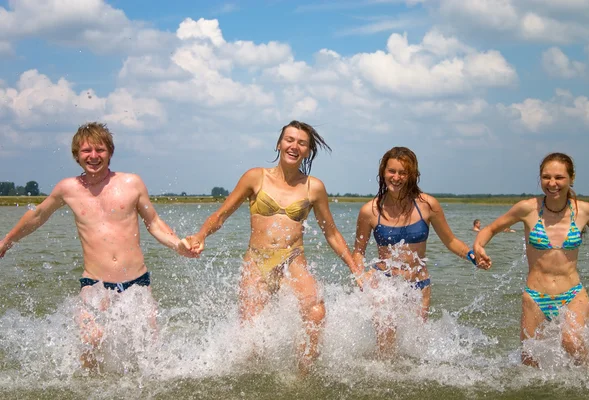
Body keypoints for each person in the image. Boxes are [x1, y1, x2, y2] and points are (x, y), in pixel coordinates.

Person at [0, 122, 195, 370]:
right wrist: (6, 241)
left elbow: (154, 222)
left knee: (148, 351)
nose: (93, 156)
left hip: (137, 283)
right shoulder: (67, 188)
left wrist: (178, 245)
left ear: (110, 152)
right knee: (90, 342)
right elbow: (37, 216)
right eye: (86, 151)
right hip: (94, 284)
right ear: (76, 156)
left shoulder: (131, 183)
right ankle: (89, 387)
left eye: (100, 150)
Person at [180, 120, 362, 374]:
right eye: (289, 140)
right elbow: (221, 215)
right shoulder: (256, 177)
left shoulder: (314, 187)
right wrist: (200, 235)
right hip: (257, 262)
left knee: (316, 314)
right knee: (252, 339)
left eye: (301, 143)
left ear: (307, 151)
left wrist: (355, 268)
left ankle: (302, 375)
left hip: (293, 262)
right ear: (279, 144)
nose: (294, 146)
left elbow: (330, 233)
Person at [473, 152, 589, 367]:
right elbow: (491, 228)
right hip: (535, 297)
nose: (552, 183)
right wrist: (478, 246)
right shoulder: (528, 208)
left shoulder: (584, 211)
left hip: (573, 294)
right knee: (529, 362)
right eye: (546, 177)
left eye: (559, 177)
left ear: (572, 178)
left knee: (572, 342)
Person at [353, 146, 476, 356]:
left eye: (403, 173)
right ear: (383, 172)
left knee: (413, 348)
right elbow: (358, 252)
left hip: (418, 285)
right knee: (386, 346)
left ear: (412, 176)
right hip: (384, 283)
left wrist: (472, 256)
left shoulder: (427, 205)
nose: (397, 177)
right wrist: (361, 276)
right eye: (392, 171)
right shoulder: (370, 211)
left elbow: (451, 241)